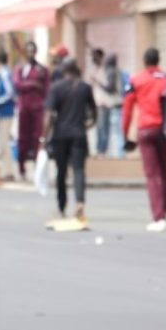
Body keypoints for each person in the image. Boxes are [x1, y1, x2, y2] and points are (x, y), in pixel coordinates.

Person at [122, 47, 166, 232]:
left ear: (144, 61)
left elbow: (127, 108)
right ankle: (164, 211)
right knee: (164, 171)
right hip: (164, 131)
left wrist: (124, 134)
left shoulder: (136, 80)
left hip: (146, 131)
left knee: (151, 174)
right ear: (158, 60)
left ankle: (158, 217)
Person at [42, 58, 97, 220]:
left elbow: (48, 116)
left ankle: (61, 206)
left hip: (60, 136)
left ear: (63, 70)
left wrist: (43, 137)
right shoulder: (85, 88)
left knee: (61, 172)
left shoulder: (56, 88)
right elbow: (94, 112)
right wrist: (90, 124)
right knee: (79, 170)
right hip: (79, 134)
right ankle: (79, 203)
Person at [13, 41, 50, 181]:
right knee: (22, 139)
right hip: (23, 108)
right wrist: (33, 84)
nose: (30, 53)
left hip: (37, 108)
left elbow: (46, 88)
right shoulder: (20, 69)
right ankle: (21, 168)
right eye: (27, 50)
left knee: (37, 138)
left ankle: (36, 168)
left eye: (32, 50)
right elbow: (17, 85)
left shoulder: (42, 70)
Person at [0, 50, 16, 180]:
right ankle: (6, 170)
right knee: (3, 142)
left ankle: (8, 172)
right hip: (2, 112)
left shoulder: (4, 74)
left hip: (6, 112)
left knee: (4, 142)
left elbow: (10, 93)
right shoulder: (1, 73)